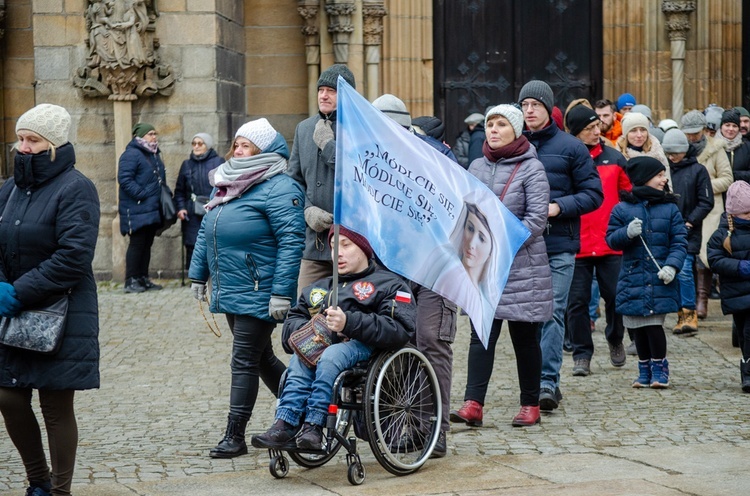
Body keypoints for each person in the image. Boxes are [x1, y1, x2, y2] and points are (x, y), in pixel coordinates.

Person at [188, 118, 305, 458]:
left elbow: (291, 241)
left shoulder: (280, 186)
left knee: (243, 360)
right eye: (236, 145)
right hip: (233, 287)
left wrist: (281, 292)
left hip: (260, 288)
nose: (238, 151)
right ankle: (306, 406)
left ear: (263, 150)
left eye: (246, 146)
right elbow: (207, 230)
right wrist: (198, 275)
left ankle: (234, 436)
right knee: (260, 358)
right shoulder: (226, 181)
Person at [0, 104, 101, 496]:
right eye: (21, 139)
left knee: (56, 409)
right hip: (12, 311)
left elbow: (74, 256)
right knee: (8, 396)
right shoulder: (8, 189)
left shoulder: (76, 188)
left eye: (34, 140)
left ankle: (59, 491)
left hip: (63, 312)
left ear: (55, 145)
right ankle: (37, 479)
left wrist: (19, 291)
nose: (24, 147)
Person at [250, 226, 416, 450]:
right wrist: (313, 329)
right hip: (322, 348)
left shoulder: (390, 285)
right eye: (333, 246)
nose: (338, 252)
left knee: (330, 355)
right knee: (301, 358)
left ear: (365, 249)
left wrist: (349, 323)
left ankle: (314, 424)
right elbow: (291, 324)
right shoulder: (319, 288)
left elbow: (399, 328)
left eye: (346, 245)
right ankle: (285, 422)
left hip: (366, 349)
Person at [450, 104, 552, 427]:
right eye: (490, 124)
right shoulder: (477, 166)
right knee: (481, 335)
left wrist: (498, 241)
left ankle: (530, 404)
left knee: (525, 339)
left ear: (516, 130)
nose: (492, 130)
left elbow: (536, 219)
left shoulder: (532, 168)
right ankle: (473, 403)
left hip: (521, 267)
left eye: (501, 124)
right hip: (485, 268)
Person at [372, 93, 458, 457]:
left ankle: (433, 429)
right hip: (394, 266)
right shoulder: (369, 156)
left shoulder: (435, 156)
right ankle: (401, 425)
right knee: (396, 342)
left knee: (431, 341)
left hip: (437, 266)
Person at [518, 80, 603, 411]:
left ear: (548, 109)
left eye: (535, 105)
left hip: (559, 244)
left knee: (552, 310)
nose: (529, 111)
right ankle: (531, 380)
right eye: (524, 105)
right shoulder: (514, 146)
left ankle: (547, 382)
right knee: (528, 316)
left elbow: (593, 194)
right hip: (523, 245)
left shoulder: (571, 147)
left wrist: (559, 206)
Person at [606, 156, 687, 389]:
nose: (664, 179)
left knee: (653, 325)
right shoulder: (622, 209)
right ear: (645, 178)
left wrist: (672, 265)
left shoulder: (670, 208)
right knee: (637, 327)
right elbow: (611, 240)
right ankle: (644, 369)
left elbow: (680, 241)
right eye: (659, 175)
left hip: (660, 276)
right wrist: (627, 233)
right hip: (633, 278)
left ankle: (660, 369)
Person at [563, 104, 630, 376]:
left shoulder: (615, 158)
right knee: (576, 302)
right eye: (589, 128)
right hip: (576, 242)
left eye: (596, 126)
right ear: (576, 133)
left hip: (609, 242)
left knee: (615, 297)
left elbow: (630, 193)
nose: (597, 131)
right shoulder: (565, 160)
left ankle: (615, 338)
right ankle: (582, 353)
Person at [287, 64, 356, 293]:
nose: (323, 95)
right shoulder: (304, 129)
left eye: (332, 90)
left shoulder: (359, 129)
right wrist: (307, 210)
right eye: (321, 90)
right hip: (315, 245)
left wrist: (328, 145)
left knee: (350, 316)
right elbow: (293, 182)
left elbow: (358, 177)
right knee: (307, 312)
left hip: (352, 243)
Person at [677, 110, 732, 320]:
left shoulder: (715, 149)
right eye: (689, 133)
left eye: (696, 132)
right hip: (685, 205)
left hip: (709, 207)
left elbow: (728, 178)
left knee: (704, 255)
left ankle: (702, 299)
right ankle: (684, 301)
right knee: (685, 253)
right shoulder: (680, 147)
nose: (692, 137)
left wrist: (704, 185)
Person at [661, 128, 713, 335]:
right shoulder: (664, 168)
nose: (672, 156)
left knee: (684, 272)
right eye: (669, 153)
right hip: (667, 227)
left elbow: (706, 201)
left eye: (675, 152)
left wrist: (691, 222)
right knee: (669, 272)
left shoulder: (698, 170)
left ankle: (688, 313)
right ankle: (677, 312)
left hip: (688, 229)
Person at [707, 180, 750, 392]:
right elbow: (714, 260)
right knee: (743, 333)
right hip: (737, 292)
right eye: (746, 213)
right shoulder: (723, 235)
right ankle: (747, 367)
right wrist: (740, 267)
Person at [117, 122, 166, 293]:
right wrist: (142, 194)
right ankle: (131, 280)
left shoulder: (153, 154)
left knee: (147, 243)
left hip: (152, 207)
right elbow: (124, 179)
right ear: (140, 136)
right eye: (150, 134)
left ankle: (142, 278)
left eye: (155, 133)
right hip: (137, 207)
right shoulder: (131, 154)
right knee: (137, 243)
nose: (154, 136)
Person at [173, 133, 224, 271]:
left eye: (200, 143)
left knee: (213, 242)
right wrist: (181, 208)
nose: (196, 146)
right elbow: (179, 191)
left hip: (213, 208)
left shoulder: (219, 162)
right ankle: (194, 274)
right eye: (194, 143)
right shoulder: (187, 164)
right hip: (192, 211)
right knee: (192, 243)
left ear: (207, 145)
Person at [615, 111, 669, 180]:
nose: (639, 135)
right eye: (633, 131)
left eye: (643, 130)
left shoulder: (657, 151)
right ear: (626, 134)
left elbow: (667, 179)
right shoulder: (617, 156)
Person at [720, 109, 750, 183]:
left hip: (741, 191)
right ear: (721, 127)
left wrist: (733, 175)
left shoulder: (747, 146)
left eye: (734, 126)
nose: (731, 129)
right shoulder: (712, 146)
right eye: (727, 125)